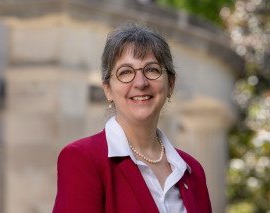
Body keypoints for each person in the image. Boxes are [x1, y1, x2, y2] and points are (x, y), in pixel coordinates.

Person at [52, 23, 212, 213]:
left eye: (152, 70)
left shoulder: (192, 171)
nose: (140, 83)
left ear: (170, 83)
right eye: (125, 72)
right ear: (107, 89)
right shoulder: (82, 158)